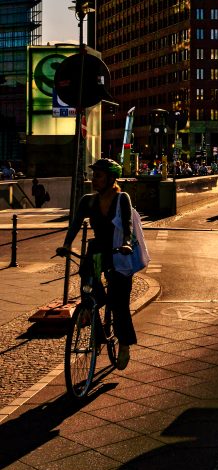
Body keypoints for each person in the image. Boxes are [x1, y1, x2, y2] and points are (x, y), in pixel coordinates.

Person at [56, 158, 136, 370]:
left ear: (111, 178)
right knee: (88, 288)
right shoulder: (87, 201)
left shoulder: (122, 199)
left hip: (118, 251)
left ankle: (125, 344)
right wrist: (66, 244)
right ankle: (95, 321)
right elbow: (75, 224)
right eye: (93, 175)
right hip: (98, 250)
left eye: (98, 176)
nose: (94, 180)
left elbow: (127, 224)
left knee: (119, 304)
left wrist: (127, 243)